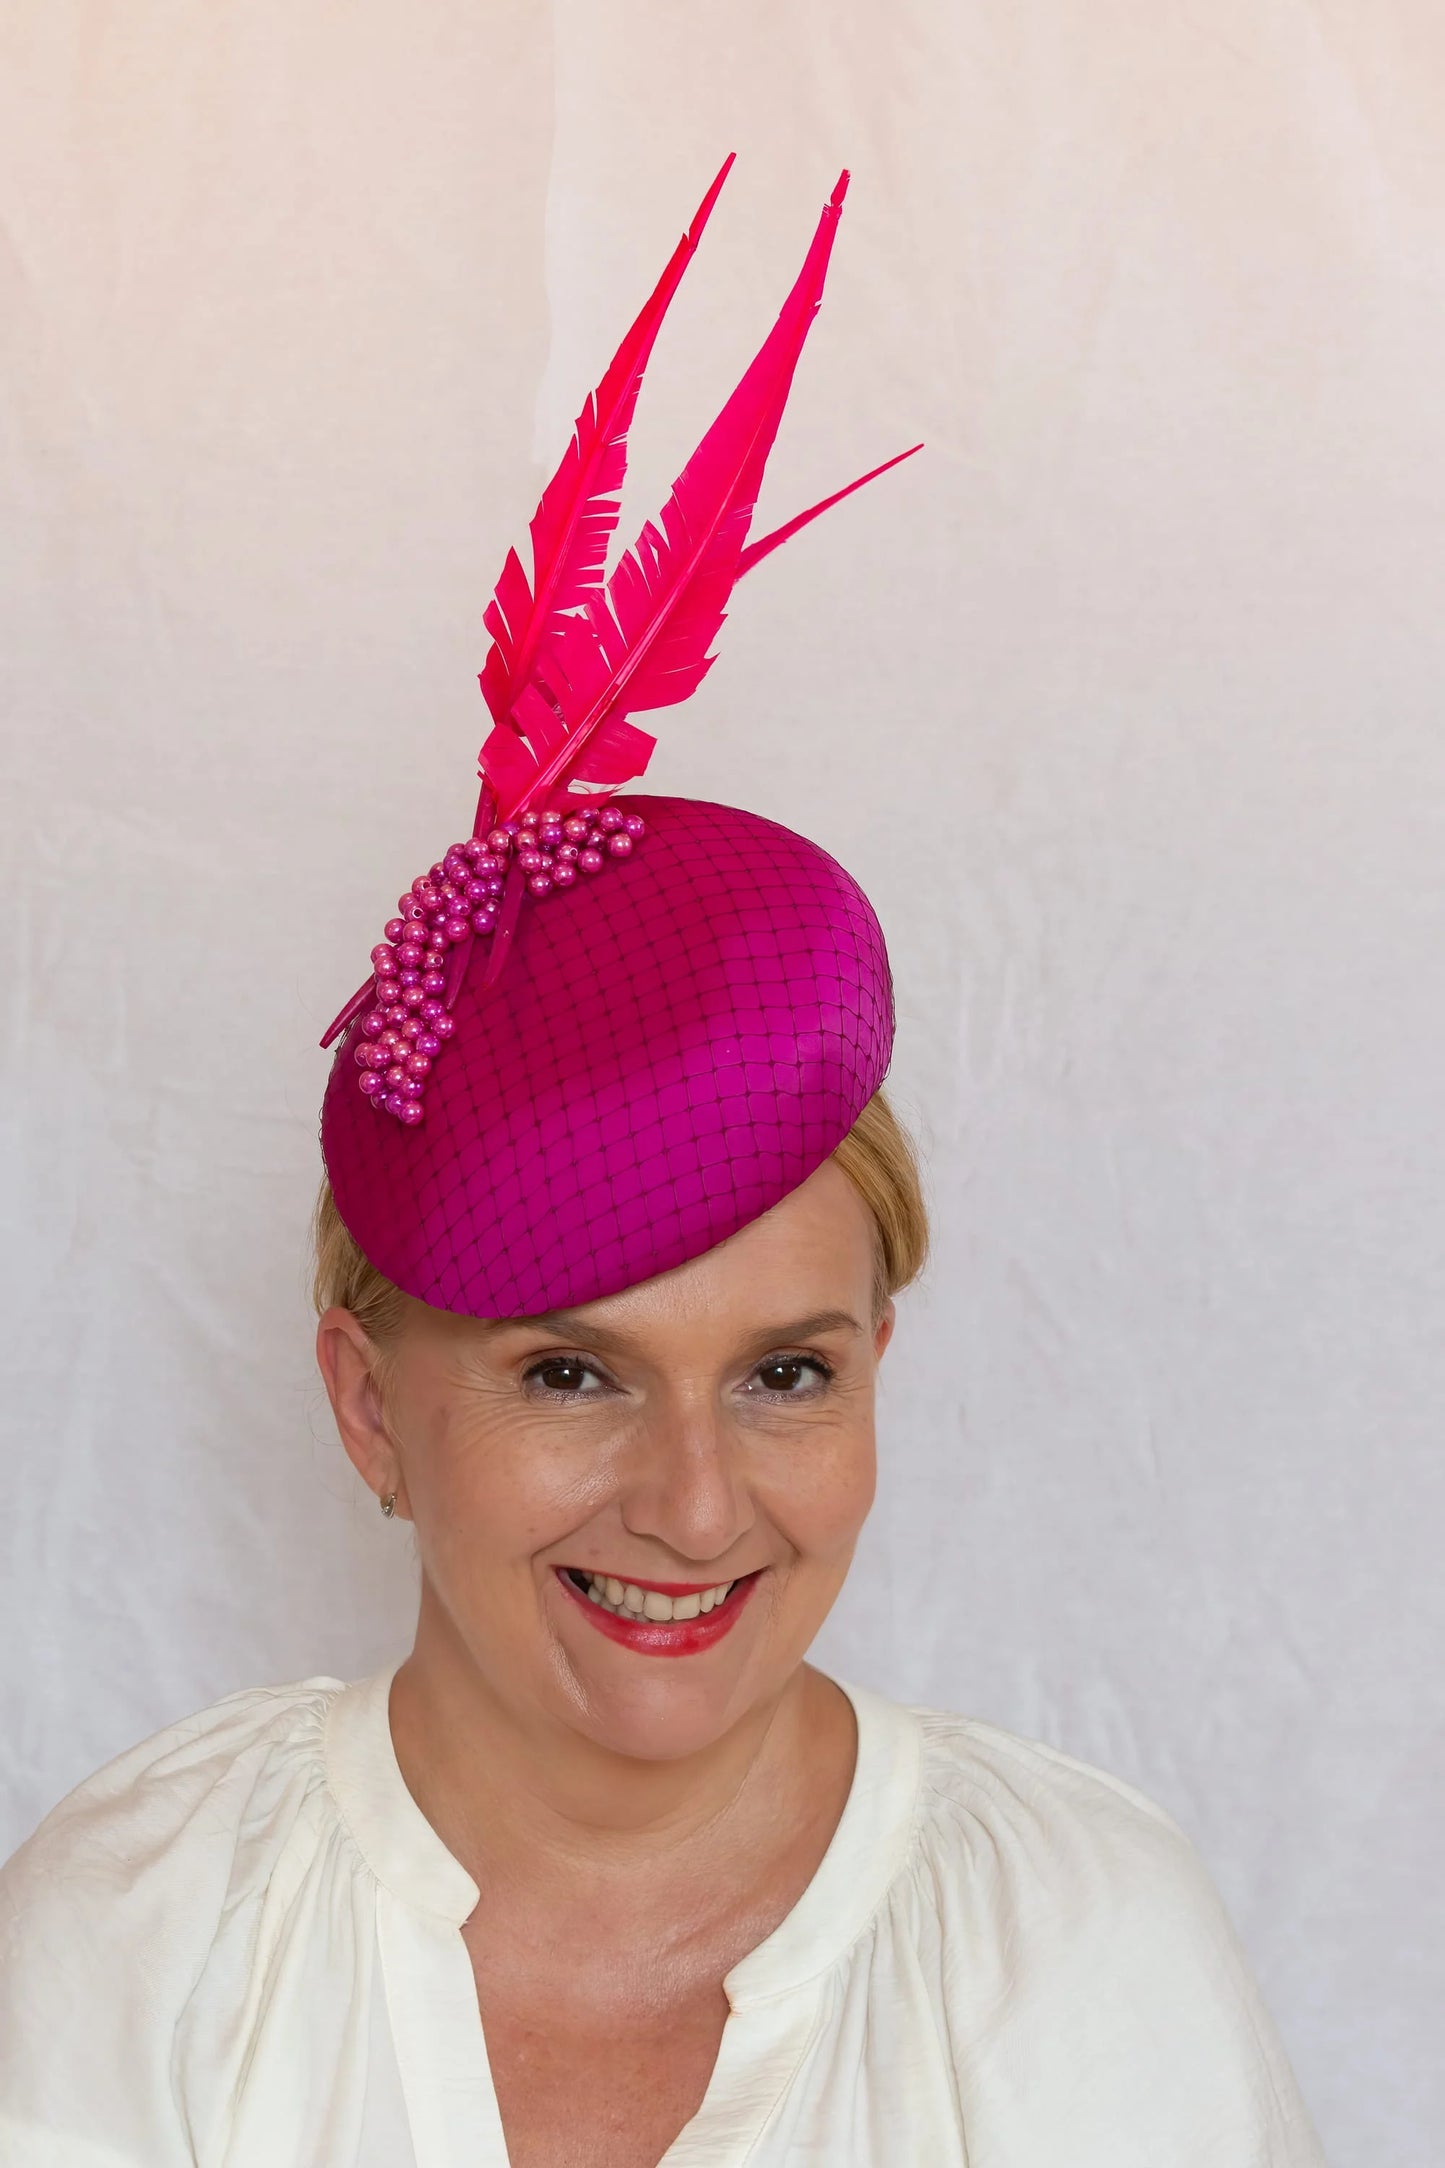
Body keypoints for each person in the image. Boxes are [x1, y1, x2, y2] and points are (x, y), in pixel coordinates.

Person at [0, 162, 1325, 2168]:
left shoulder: (1075, 1958)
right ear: (371, 1408)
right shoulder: (138, 1939)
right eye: (570, 1371)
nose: (698, 1505)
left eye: (788, 1370)